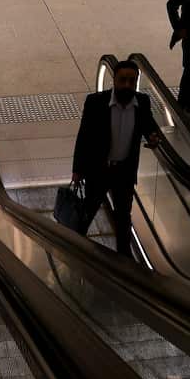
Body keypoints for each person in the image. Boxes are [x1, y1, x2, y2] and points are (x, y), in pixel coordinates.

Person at [71, 60, 162, 256]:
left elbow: (149, 125)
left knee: (123, 218)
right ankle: (76, 248)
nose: (127, 85)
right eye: (123, 80)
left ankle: (124, 259)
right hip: (99, 170)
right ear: (114, 80)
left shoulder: (142, 102)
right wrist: (77, 169)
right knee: (88, 210)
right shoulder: (95, 102)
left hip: (124, 173)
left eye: (132, 81)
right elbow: (84, 137)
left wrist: (154, 136)